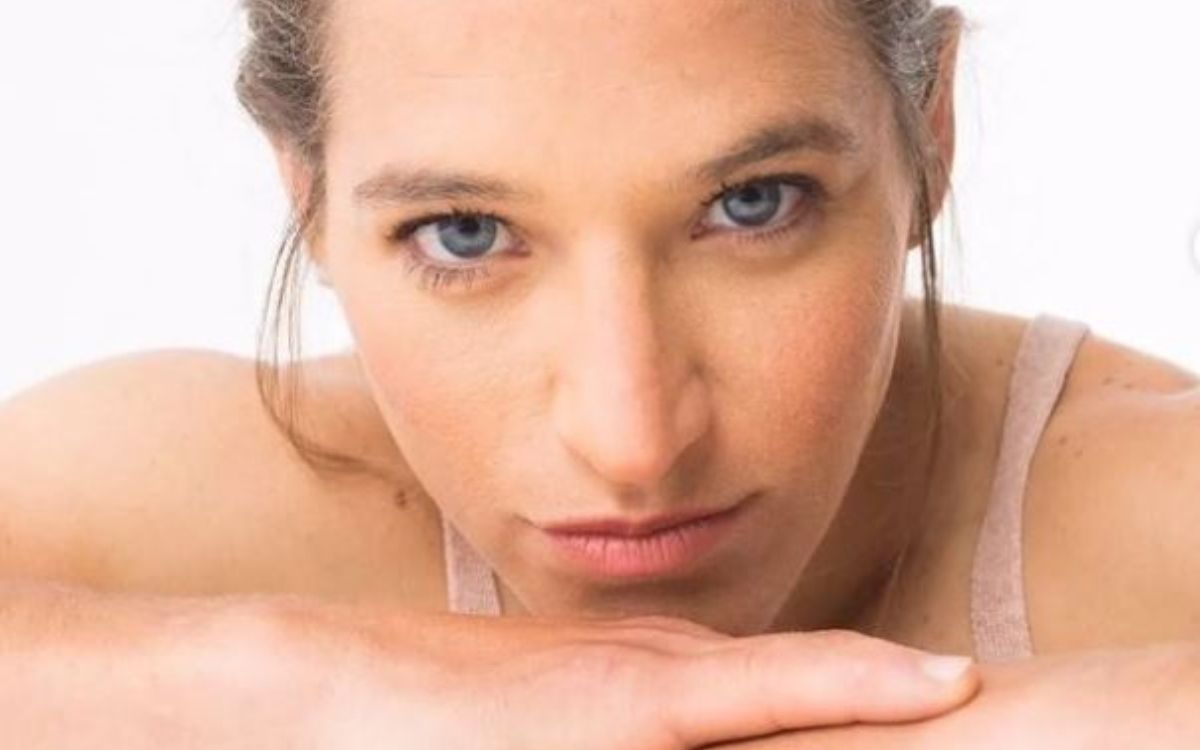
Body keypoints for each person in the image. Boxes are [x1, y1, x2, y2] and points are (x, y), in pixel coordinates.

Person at [1, 0, 1197, 747]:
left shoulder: (1149, 506)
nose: (633, 442)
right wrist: (328, 691)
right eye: (465, 232)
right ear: (306, 197)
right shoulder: (217, 504)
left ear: (928, 131)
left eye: (754, 204)